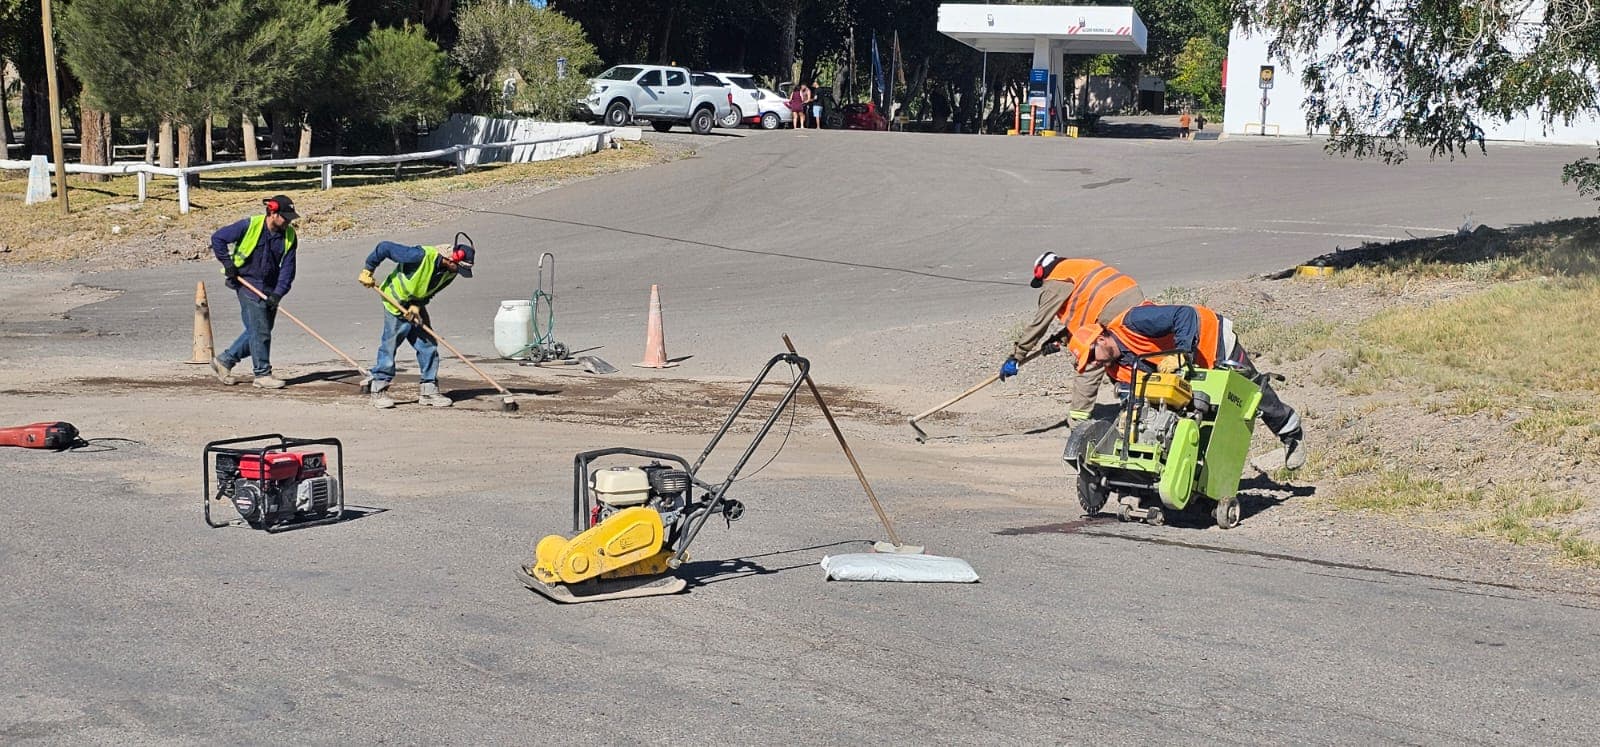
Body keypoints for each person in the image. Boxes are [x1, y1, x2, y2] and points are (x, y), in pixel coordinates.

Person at [1067, 303, 1307, 469]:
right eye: (1089, 362)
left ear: (1101, 339)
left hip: (1210, 340)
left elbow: (1185, 315)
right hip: (1182, 370)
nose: (1095, 363)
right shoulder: (1114, 366)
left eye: (1093, 356)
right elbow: (1136, 401)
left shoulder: (1133, 322)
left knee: (1251, 392)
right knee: (1197, 413)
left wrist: (1183, 353)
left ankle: (1290, 433)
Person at [999, 254, 1145, 424]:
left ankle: (1078, 421)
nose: (1044, 287)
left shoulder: (1056, 281)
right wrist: (1058, 340)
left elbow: (1040, 322)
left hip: (1112, 310)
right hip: (1132, 301)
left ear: (1042, 273)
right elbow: (1086, 319)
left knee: (1091, 360)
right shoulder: (1078, 268)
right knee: (1123, 355)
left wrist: (1017, 356)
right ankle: (1135, 402)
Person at [357, 239, 475, 409]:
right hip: (394, 302)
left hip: (414, 306)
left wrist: (416, 306)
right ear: (451, 260)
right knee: (389, 347)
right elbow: (384, 247)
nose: (459, 272)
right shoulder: (419, 255)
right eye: (459, 268)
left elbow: (430, 291)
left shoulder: (450, 273)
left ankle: (429, 391)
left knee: (428, 346)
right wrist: (368, 270)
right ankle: (378, 390)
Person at [209, 194, 300, 389]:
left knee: (259, 331)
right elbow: (218, 238)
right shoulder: (249, 225)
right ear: (272, 213)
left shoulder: (290, 236)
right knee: (260, 331)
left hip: (270, 287)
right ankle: (262, 374)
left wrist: (278, 293)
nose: (288, 222)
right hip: (247, 283)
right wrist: (228, 264)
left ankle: (224, 361)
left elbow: (288, 269)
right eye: (285, 217)